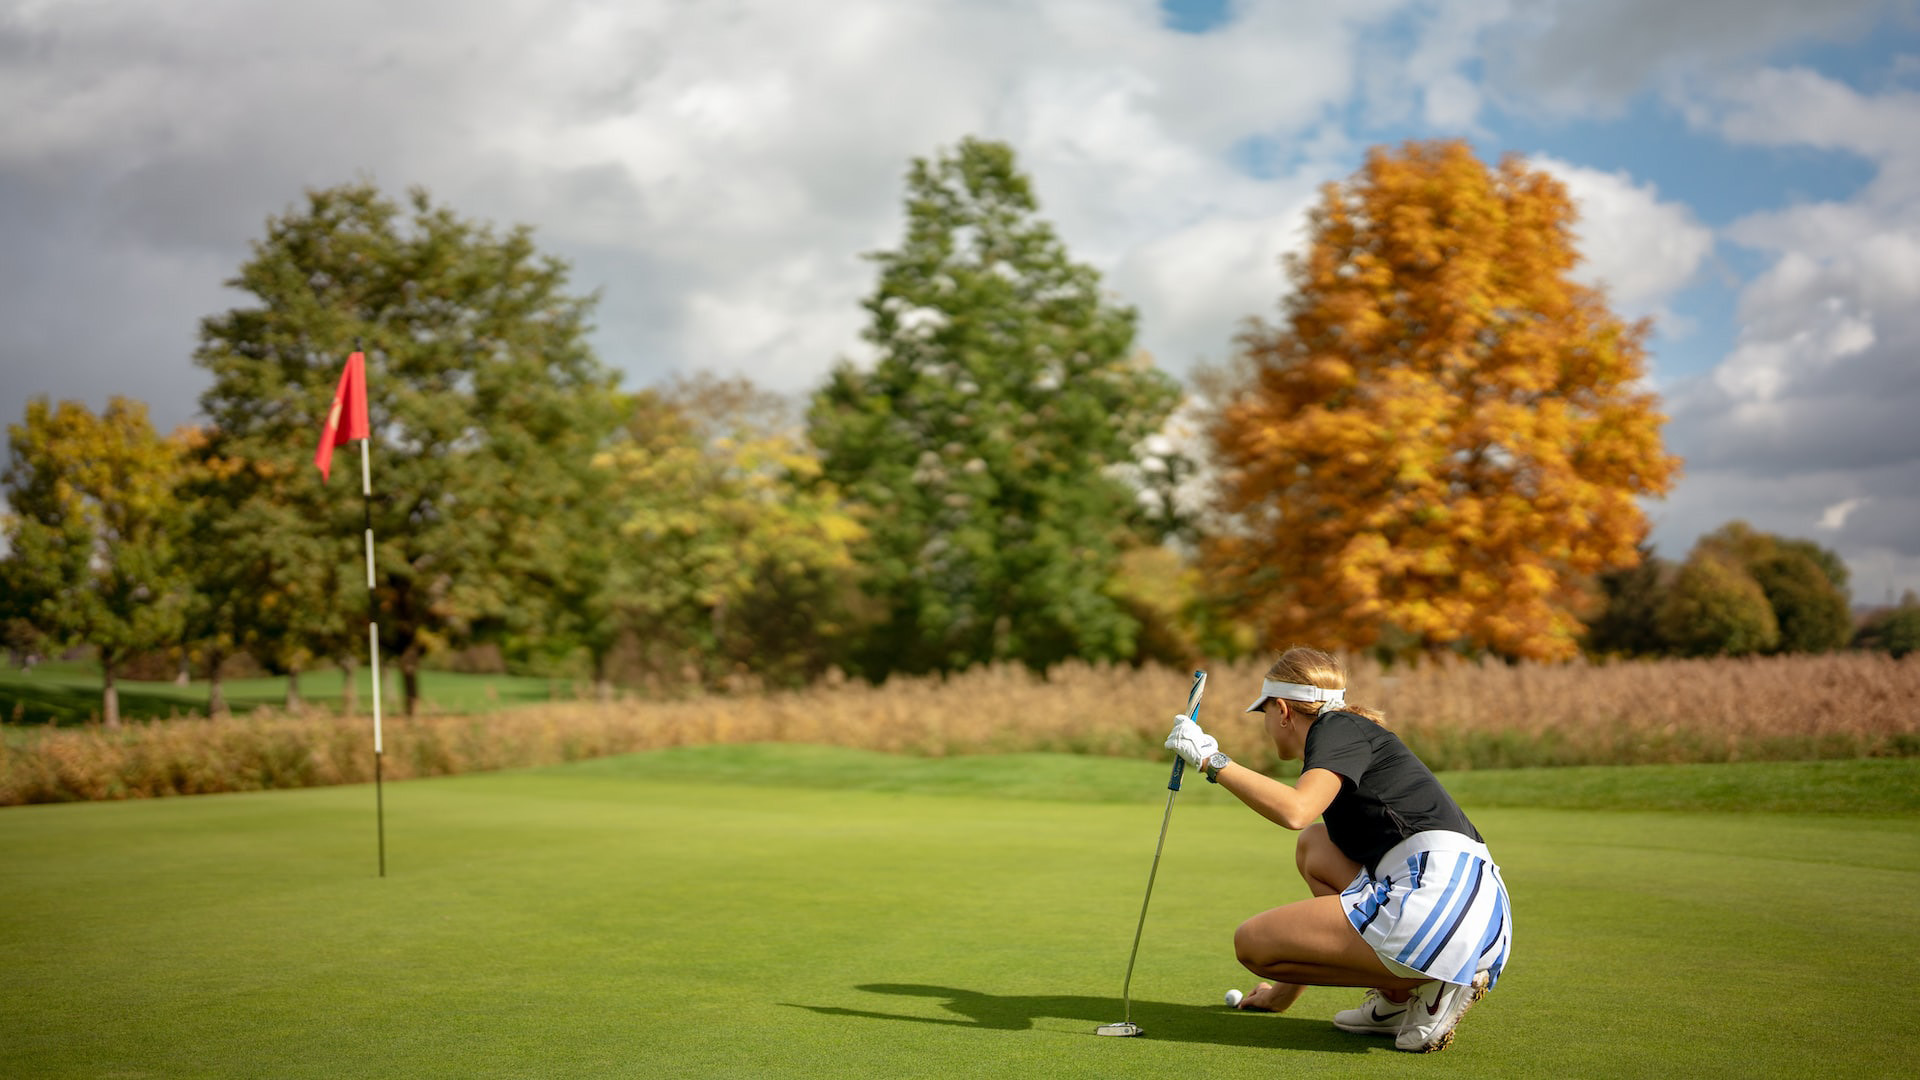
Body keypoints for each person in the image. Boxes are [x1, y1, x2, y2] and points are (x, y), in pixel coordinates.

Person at [1163, 647, 1512, 1053]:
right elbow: (1308, 829)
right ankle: (1396, 1001)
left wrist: (1211, 759)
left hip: (1439, 902)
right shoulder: (1347, 736)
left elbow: (1296, 810)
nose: (1267, 726)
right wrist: (1279, 997)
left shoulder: (1336, 727)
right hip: (1474, 910)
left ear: (1282, 710)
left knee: (1252, 943)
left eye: (1264, 714)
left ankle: (1434, 982)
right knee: (1314, 846)